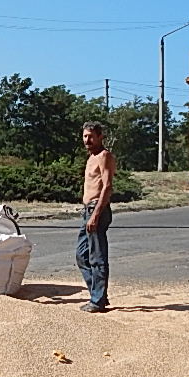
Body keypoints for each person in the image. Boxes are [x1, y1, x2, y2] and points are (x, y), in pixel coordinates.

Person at [75, 121, 116, 313]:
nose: (87, 140)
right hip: (87, 211)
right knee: (82, 255)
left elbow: (107, 187)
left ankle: (97, 300)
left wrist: (96, 215)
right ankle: (98, 294)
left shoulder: (104, 156)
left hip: (96, 211)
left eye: (91, 136)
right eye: (84, 136)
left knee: (97, 257)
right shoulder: (91, 158)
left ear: (100, 137)